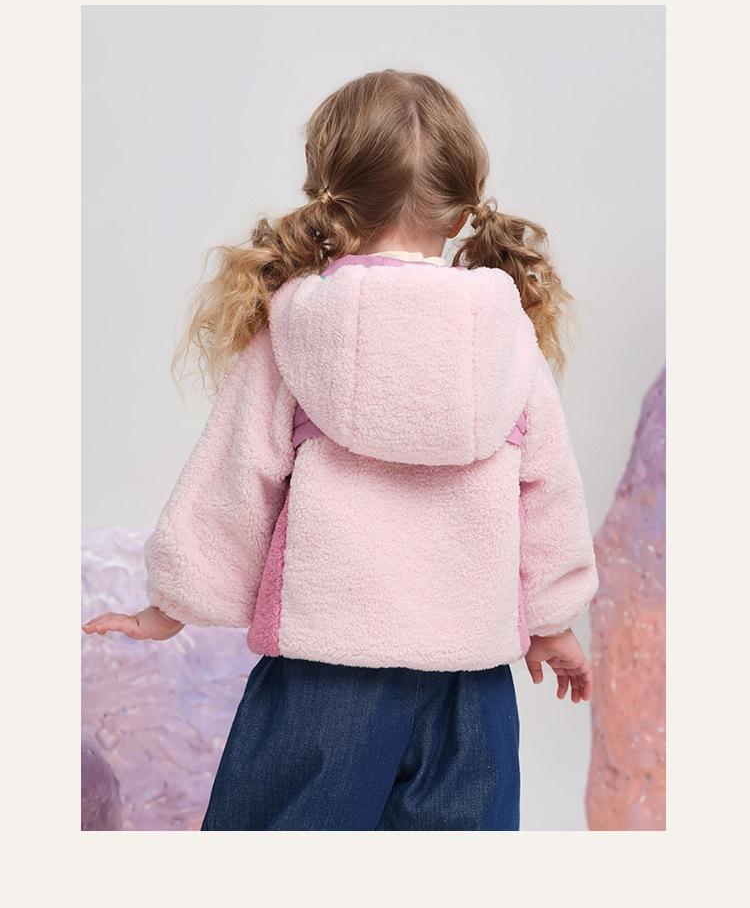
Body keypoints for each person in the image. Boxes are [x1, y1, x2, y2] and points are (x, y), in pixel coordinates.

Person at [83, 70, 598, 831]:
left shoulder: (296, 327)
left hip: (323, 682)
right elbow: (548, 488)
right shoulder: (508, 335)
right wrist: (552, 620)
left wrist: (172, 604)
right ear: (464, 210)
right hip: (471, 686)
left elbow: (234, 478)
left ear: (333, 198)